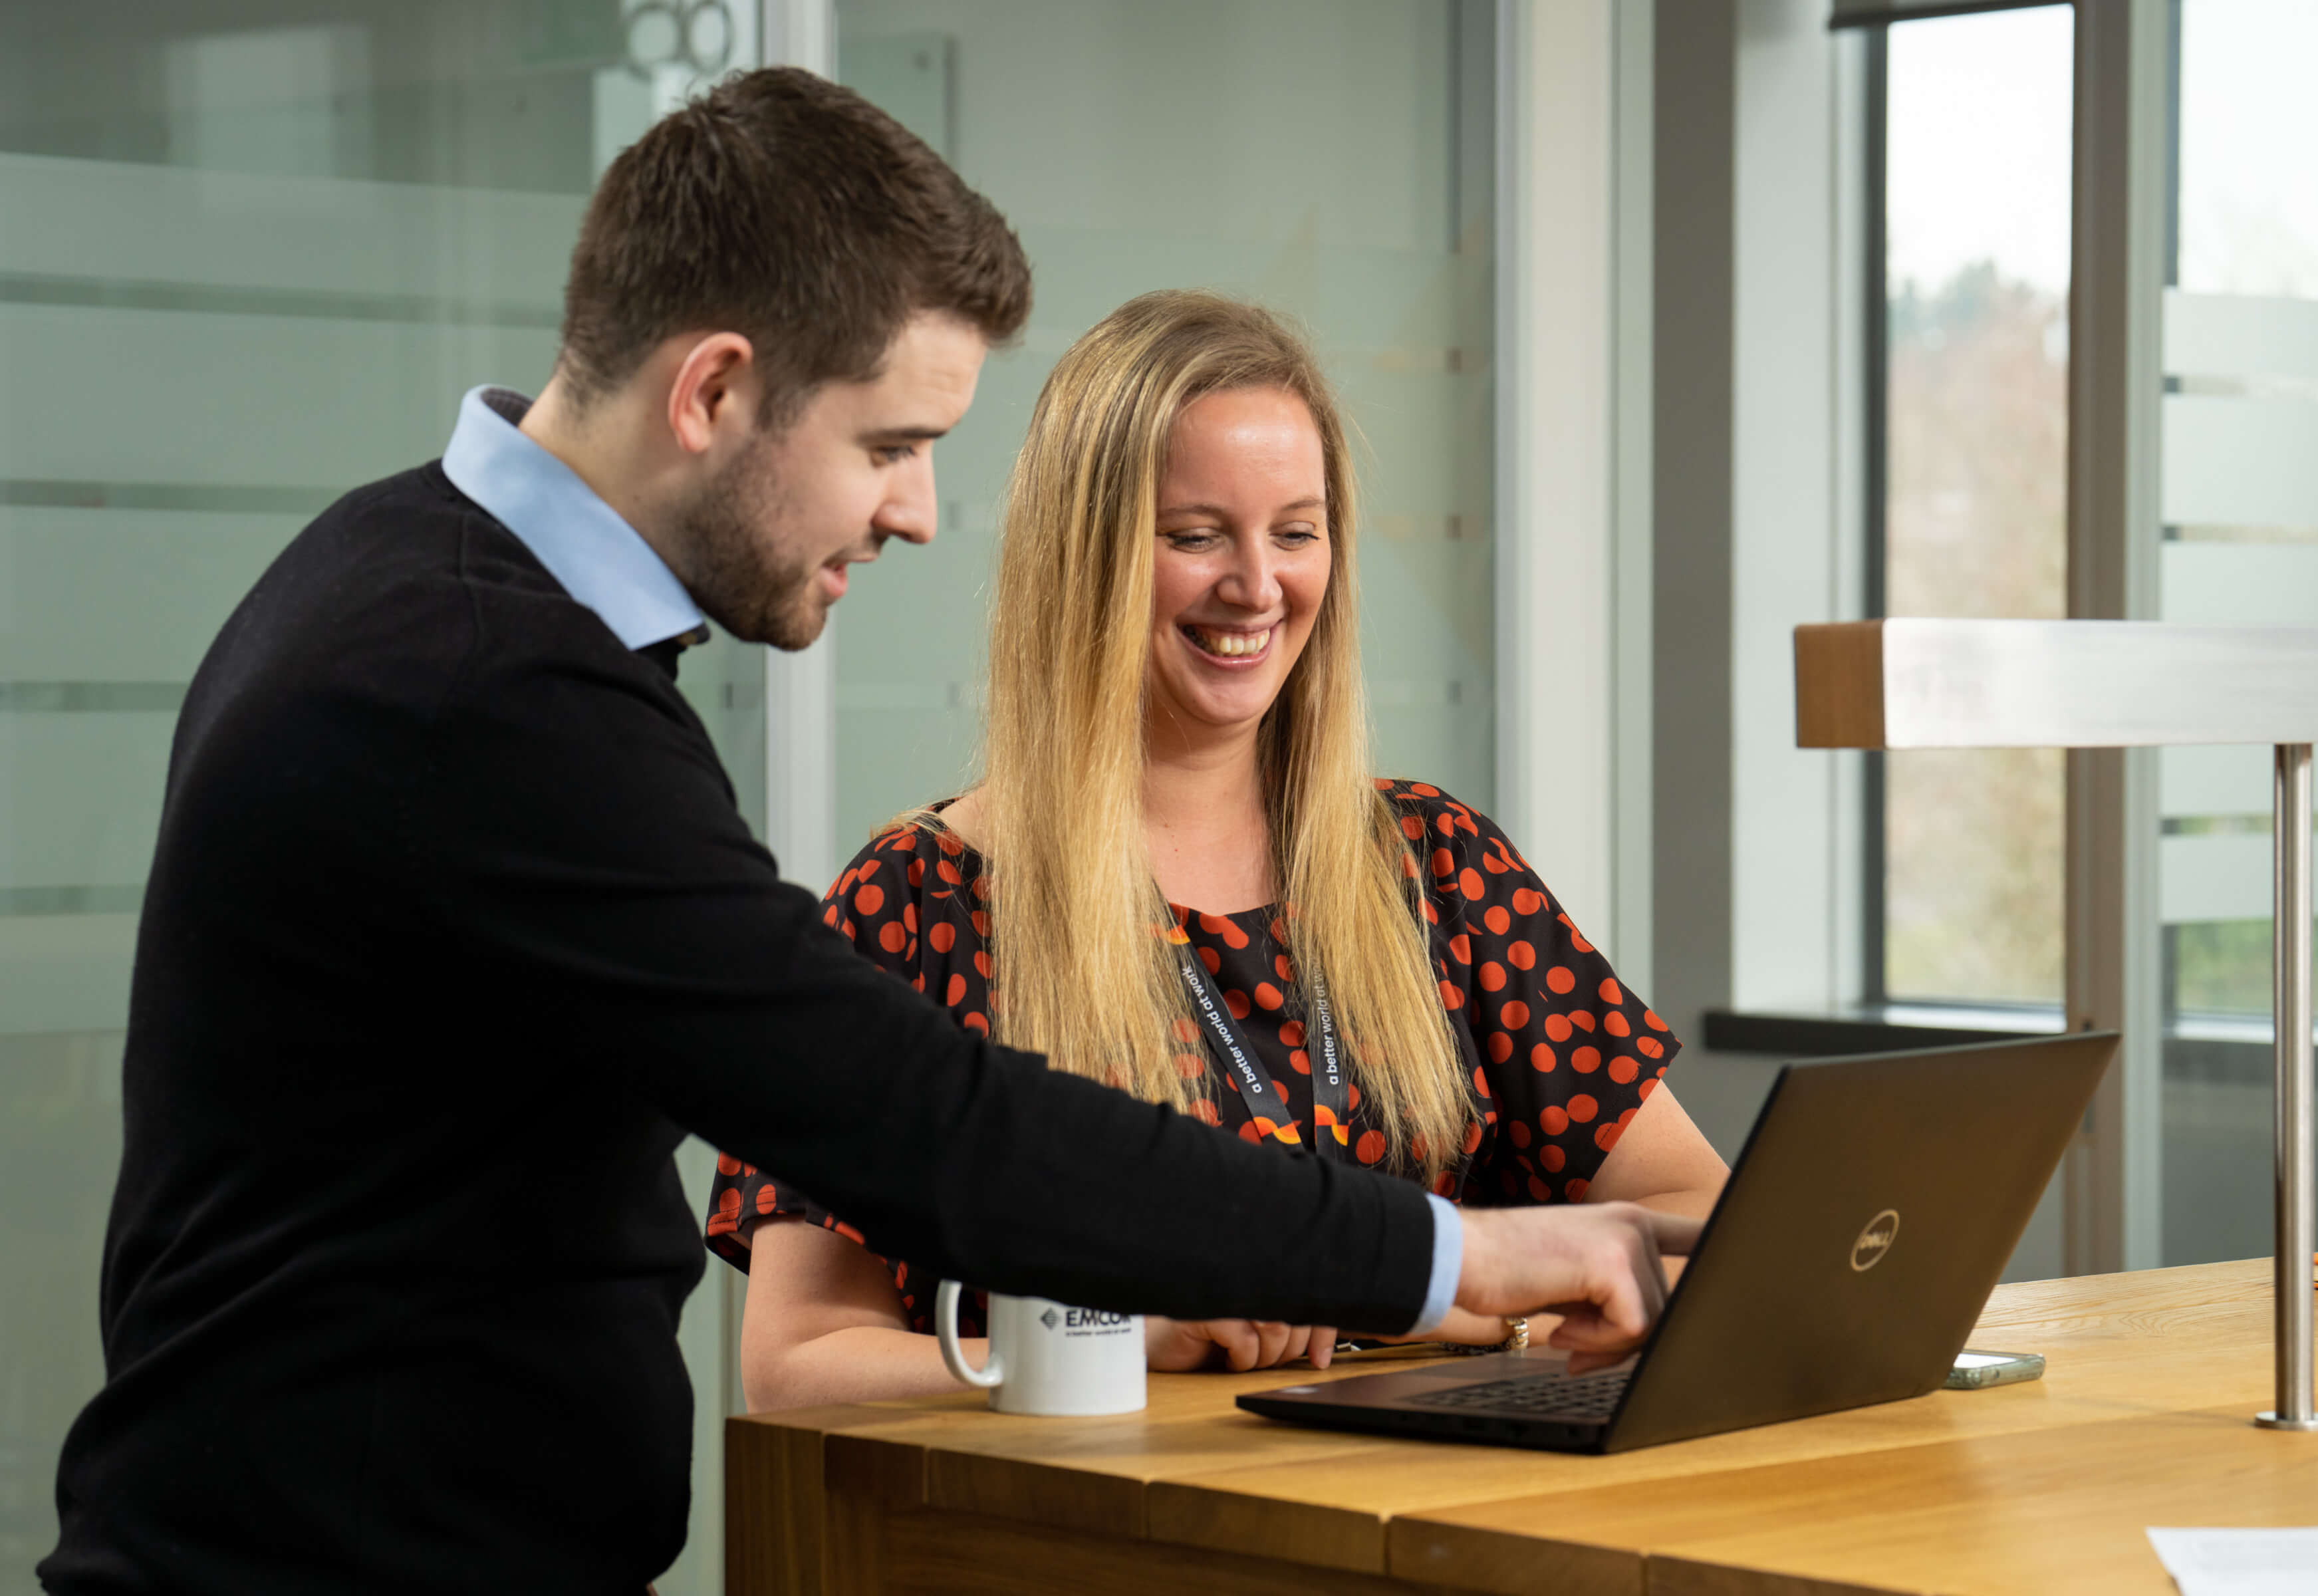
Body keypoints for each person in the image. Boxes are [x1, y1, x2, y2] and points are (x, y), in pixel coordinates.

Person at [43, 71, 1700, 1596]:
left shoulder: (408, 581)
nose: (912, 510)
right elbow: (922, 1123)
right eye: (890, 445)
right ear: (714, 391)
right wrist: (1443, 1254)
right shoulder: (483, 690)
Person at [717, 292, 1728, 1411]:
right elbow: (795, 1365)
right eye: (1197, 536)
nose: (1258, 585)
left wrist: (1517, 1306)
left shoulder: (1438, 865)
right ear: (1084, 557)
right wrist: (1118, 1338)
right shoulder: (918, 905)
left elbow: (1698, 1219)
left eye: (1295, 531)